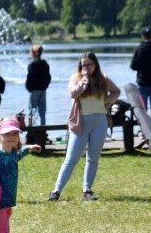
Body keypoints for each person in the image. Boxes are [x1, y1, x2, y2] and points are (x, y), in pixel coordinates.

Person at [48, 52, 121, 202]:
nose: (86, 67)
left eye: (89, 64)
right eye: (83, 65)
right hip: (81, 123)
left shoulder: (103, 78)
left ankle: (87, 190)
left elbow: (116, 91)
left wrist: (108, 101)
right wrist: (84, 81)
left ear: (95, 64)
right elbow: (73, 94)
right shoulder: (76, 78)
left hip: (100, 122)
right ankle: (56, 191)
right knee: (71, 158)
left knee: (93, 158)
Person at [25, 45, 52, 126]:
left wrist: (28, 88)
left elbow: (29, 79)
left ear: (32, 54)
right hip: (43, 90)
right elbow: (48, 77)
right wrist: (45, 86)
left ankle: (31, 131)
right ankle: (43, 130)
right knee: (42, 112)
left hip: (33, 91)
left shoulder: (32, 65)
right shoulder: (45, 64)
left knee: (32, 111)